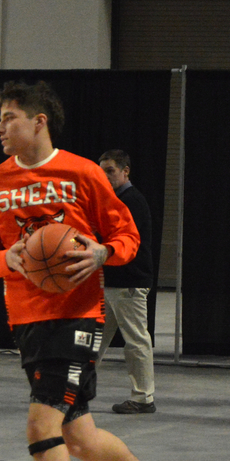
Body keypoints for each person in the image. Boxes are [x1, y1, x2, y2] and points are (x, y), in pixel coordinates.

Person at [0, 80, 187, 461]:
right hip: (27, 320)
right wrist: (8, 259)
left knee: (41, 424)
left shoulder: (83, 173)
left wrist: (102, 253)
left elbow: (128, 236)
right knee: (80, 439)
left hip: (79, 315)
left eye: (8, 118)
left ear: (39, 121)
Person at [96, 149, 157, 414]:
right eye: (101, 172)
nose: (105, 176)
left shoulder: (132, 201)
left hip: (129, 282)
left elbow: (123, 243)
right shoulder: (114, 200)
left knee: (135, 340)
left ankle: (143, 398)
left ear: (125, 171)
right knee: (94, 339)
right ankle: (73, 391)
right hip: (111, 282)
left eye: (110, 171)